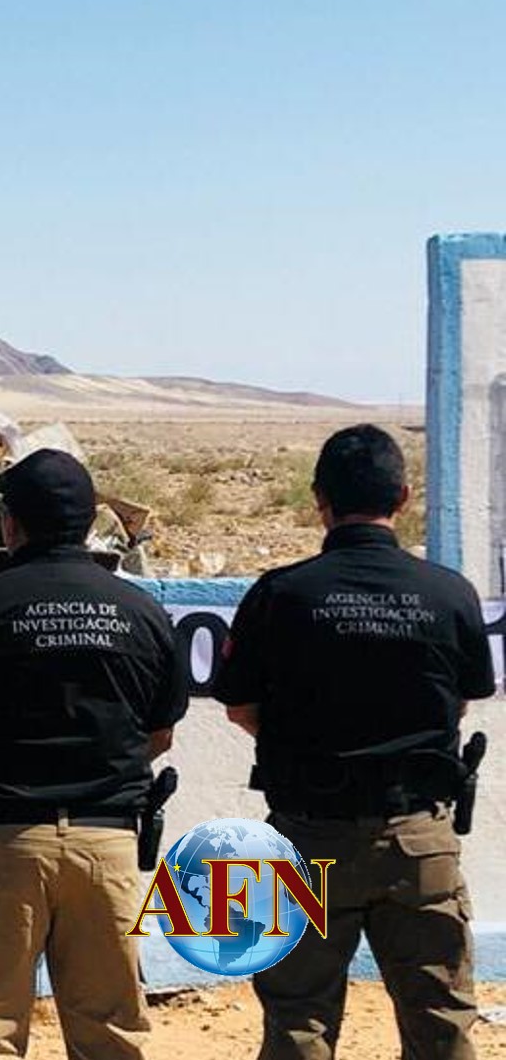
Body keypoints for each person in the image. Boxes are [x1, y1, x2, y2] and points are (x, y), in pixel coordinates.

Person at [0, 449, 185, 1060]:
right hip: (108, 847)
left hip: (2, 843)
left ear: (11, 524)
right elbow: (160, 736)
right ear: (88, 522)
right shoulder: (140, 610)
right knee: (111, 1036)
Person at [213, 424, 496, 1060]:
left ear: (320, 498)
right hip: (417, 840)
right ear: (403, 496)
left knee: (297, 1021)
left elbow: (239, 707)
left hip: (308, 831)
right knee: (440, 1022)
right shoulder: (448, 593)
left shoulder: (281, 594)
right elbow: (463, 699)